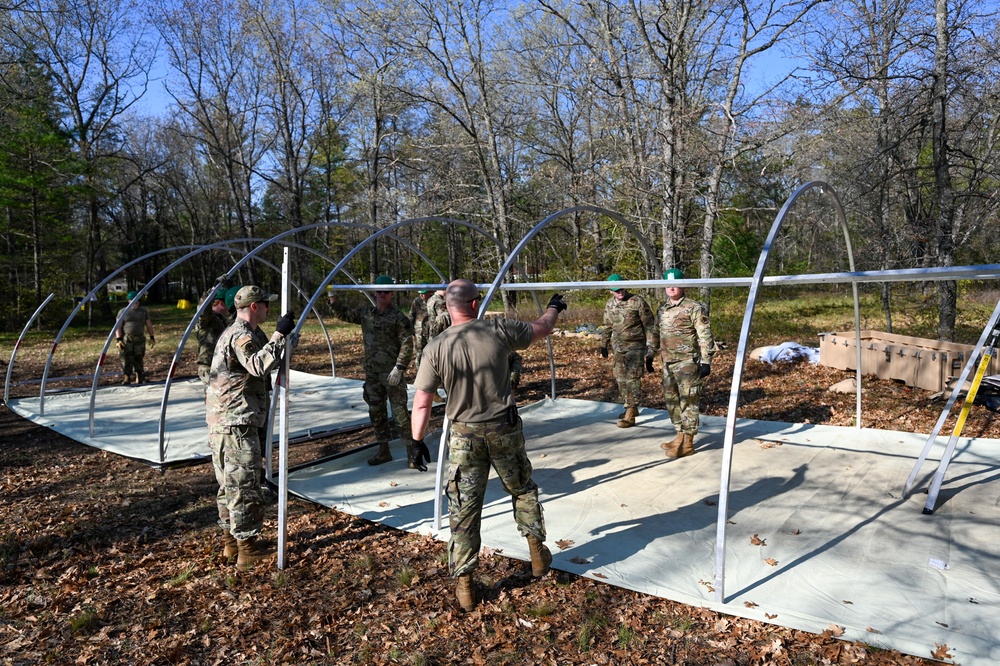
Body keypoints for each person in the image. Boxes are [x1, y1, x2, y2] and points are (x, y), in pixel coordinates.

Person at [410, 280, 567, 612]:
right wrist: (554, 307)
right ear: (474, 303)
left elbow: (422, 403)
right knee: (522, 488)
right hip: (504, 430)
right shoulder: (498, 329)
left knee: (464, 509)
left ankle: (465, 585)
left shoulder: (435, 347)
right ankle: (537, 554)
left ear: (448, 306)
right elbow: (542, 328)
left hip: (464, 437)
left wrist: (416, 441)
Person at [206, 285, 295, 570]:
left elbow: (265, 362)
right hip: (236, 423)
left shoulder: (247, 334)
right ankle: (246, 549)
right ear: (254, 306)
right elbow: (257, 365)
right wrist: (280, 334)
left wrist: (284, 342)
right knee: (243, 485)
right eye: (266, 304)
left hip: (229, 422)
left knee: (229, 485)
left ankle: (231, 543)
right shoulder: (240, 334)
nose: (269, 309)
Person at [329, 275, 416, 467]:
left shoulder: (398, 318)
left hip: (392, 373)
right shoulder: (366, 313)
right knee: (376, 412)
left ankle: (412, 452)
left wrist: (399, 367)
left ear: (392, 293)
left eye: (386, 291)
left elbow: (407, 343)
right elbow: (344, 314)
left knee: (400, 413)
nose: (382, 294)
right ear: (374, 292)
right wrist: (333, 298)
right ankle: (383, 450)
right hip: (373, 374)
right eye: (379, 291)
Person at [653, 268, 715, 458]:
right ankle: (679, 435)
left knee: (688, 400)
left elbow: (704, 334)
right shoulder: (662, 309)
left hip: (687, 362)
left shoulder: (694, 307)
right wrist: (651, 354)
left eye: (675, 283)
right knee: (672, 400)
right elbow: (657, 334)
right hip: (668, 362)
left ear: (683, 285)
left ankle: (688, 442)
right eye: (667, 284)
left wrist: (706, 360)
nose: (671, 287)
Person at [599, 274, 657, 428]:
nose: (620, 292)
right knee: (620, 378)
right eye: (616, 290)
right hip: (618, 347)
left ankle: (630, 412)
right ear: (610, 291)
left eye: (622, 288)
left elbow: (650, 326)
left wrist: (651, 351)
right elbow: (607, 325)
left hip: (635, 347)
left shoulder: (637, 301)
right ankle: (630, 405)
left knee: (632, 379)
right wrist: (603, 344)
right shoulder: (609, 304)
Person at [114, 291, 156, 384]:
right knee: (126, 357)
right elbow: (118, 326)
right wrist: (118, 339)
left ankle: (139, 376)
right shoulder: (123, 312)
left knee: (139, 356)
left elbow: (149, 325)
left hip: (139, 338)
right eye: (134, 301)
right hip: (127, 338)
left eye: (137, 301)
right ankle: (127, 377)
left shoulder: (143, 312)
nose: (136, 303)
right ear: (129, 301)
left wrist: (152, 336)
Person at [195, 288, 230, 385]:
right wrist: (209, 294)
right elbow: (202, 310)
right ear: (221, 303)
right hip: (209, 367)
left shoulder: (222, 319)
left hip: (221, 366)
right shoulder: (206, 320)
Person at [409, 287, 432, 370]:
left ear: (429, 293)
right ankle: (419, 370)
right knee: (419, 351)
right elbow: (411, 315)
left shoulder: (433, 301)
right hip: (419, 330)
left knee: (431, 350)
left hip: (431, 331)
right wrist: (410, 329)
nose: (421, 295)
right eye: (420, 293)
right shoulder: (416, 301)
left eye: (424, 293)